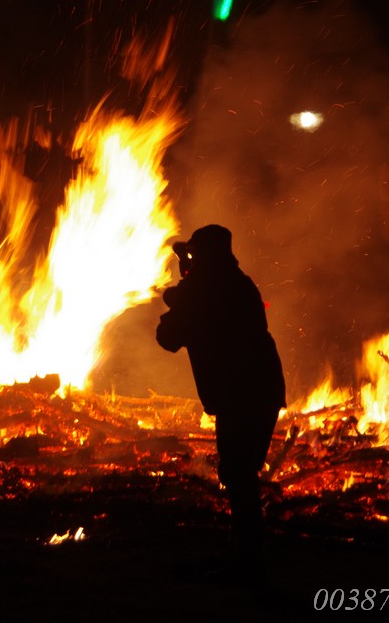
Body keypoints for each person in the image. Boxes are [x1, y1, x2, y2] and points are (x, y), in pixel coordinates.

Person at [155, 225, 285, 578]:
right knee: (242, 472)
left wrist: (180, 297)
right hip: (263, 390)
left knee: (237, 473)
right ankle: (247, 552)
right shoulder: (239, 283)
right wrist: (184, 293)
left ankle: (247, 557)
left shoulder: (203, 289)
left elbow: (167, 337)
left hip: (239, 393)